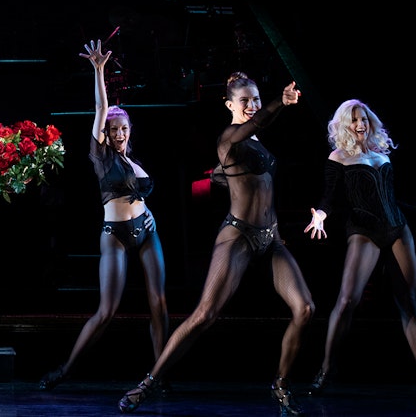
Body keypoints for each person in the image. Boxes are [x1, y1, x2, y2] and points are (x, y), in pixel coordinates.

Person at [118, 71, 313, 414]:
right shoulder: (228, 138)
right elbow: (254, 126)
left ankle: (281, 385)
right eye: (245, 101)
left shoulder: (256, 142)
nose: (252, 106)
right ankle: (148, 382)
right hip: (237, 236)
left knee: (305, 308)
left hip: (271, 238)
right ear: (229, 105)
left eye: (255, 99)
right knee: (204, 314)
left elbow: (257, 165)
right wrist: (278, 103)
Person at [39, 39, 167, 390]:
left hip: (147, 230)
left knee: (158, 303)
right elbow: (102, 107)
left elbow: (140, 193)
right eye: (114, 130)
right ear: (106, 135)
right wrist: (99, 71)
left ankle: (158, 374)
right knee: (107, 310)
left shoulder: (133, 162)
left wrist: (149, 214)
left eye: (124, 129)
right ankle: (66, 369)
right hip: (115, 235)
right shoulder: (102, 157)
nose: (120, 134)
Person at [303, 99, 416, 396]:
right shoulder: (338, 156)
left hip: (398, 228)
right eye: (355, 120)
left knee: (408, 302)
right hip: (363, 230)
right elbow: (329, 198)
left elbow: (391, 199)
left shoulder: (382, 155)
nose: (361, 124)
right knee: (346, 301)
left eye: (364, 119)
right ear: (345, 124)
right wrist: (320, 215)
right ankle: (325, 369)